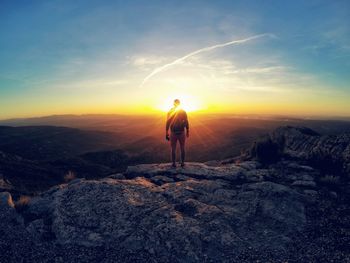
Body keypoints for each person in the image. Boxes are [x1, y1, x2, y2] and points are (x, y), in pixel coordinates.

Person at [166, 99, 189, 168]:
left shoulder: (170, 111)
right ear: (179, 104)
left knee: (173, 149)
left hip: (173, 132)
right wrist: (187, 130)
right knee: (182, 148)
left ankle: (174, 164)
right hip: (181, 132)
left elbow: (167, 122)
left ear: (174, 104)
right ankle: (182, 163)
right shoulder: (183, 111)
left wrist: (166, 132)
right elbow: (186, 121)